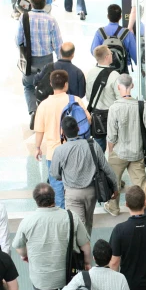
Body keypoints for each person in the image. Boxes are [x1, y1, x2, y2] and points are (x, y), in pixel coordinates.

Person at [50, 116, 117, 236]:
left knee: (77, 227)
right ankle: (86, 250)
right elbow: (106, 168)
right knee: (87, 223)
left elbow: (54, 174)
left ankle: (81, 252)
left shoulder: (60, 150)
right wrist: (115, 187)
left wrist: (63, 176)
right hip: (92, 192)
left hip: (72, 194)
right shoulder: (93, 144)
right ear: (78, 128)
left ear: (63, 132)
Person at [33, 69, 91, 209]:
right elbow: (88, 120)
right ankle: (75, 212)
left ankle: (62, 214)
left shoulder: (44, 105)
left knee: (57, 188)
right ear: (66, 84)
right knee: (75, 184)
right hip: (74, 151)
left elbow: (39, 130)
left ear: (51, 84)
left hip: (54, 154)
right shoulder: (75, 100)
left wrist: (37, 148)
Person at [105, 73, 146, 216]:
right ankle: (142, 209)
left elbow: (112, 135)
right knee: (140, 184)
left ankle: (114, 208)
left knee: (113, 181)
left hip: (119, 152)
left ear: (118, 87)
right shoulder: (142, 105)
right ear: (132, 86)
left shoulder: (114, 108)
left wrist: (110, 151)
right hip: (137, 152)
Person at [16, 0, 63, 116]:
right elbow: (58, 44)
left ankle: (33, 113)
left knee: (28, 86)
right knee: (48, 88)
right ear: (45, 3)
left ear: (31, 3)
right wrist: (60, 62)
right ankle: (46, 115)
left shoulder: (24, 17)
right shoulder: (51, 20)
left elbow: (18, 40)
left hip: (29, 60)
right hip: (47, 61)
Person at [85, 45, 122, 151]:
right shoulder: (114, 75)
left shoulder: (90, 73)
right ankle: (112, 167)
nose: (112, 55)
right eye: (111, 53)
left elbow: (88, 96)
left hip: (96, 117)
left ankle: (99, 167)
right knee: (114, 148)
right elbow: (120, 98)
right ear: (106, 57)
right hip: (112, 116)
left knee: (98, 149)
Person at [90, 4, 138, 72]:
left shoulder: (100, 32)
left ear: (108, 16)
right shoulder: (127, 34)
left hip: (104, 71)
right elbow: (135, 55)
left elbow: (94, 51)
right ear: (121, 17)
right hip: (121, 71)